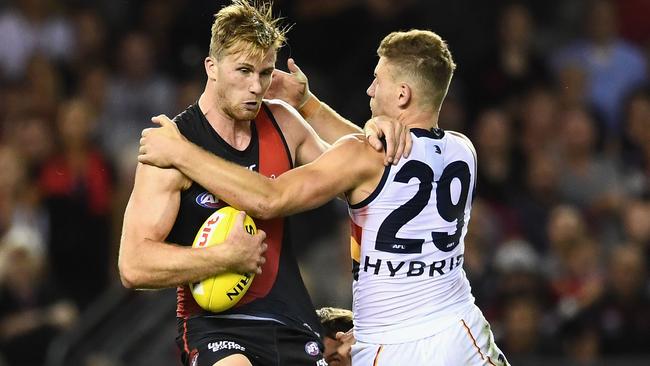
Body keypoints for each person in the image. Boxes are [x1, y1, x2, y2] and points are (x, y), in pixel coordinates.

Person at [139, 28, 510, 365]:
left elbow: (271, 198)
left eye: (377, 80)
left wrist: (180, 153)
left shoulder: (361, 155)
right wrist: (309, 103)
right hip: (464, 330)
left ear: (402, 93)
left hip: (391, 344)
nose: (369, 90)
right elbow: (388, 168)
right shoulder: (464, 150)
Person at [118, 1, 407, 365]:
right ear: (212, 68)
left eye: (265, 72)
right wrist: (222, 257)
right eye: (243, 71)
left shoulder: (284, 123)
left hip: (293, 322)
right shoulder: (171, 147)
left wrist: (372, 130)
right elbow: (133, 265)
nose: (256, 86)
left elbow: (364, 177)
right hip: (217, 329)